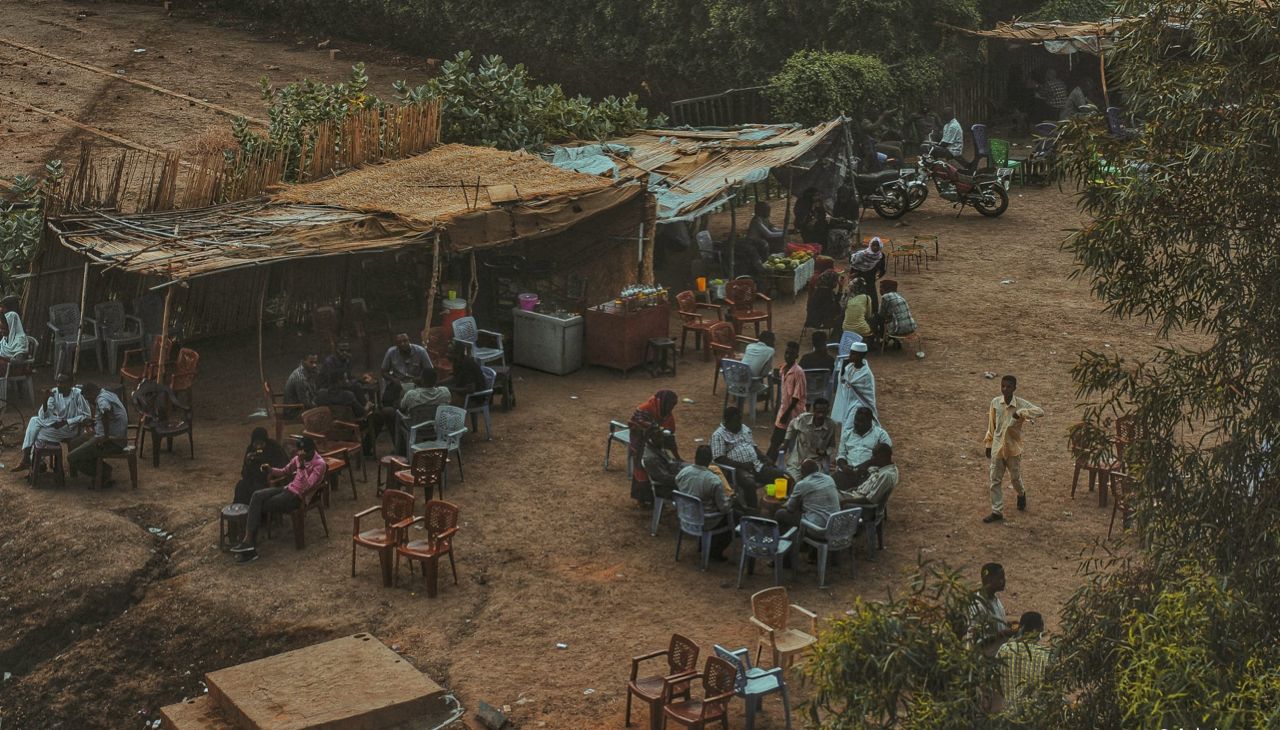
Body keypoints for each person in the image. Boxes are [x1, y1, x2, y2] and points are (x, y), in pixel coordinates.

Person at [230, 436, 328, 563]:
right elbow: (284, 471)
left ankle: (250, 547)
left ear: (311, 451)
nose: (299, 454)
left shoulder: (319, 464)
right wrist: (270, 469)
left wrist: (302, 466)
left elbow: (306, 487)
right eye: (299, 452)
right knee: (256, 496)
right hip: (287, 489)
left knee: (260, 505)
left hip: (297, 497)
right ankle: (247, 541)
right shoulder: (299, 458)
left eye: (302, 452)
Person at [983, 375, 1045, 523]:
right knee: (995, 480)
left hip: (1013, 449)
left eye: (1008, 387)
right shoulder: (995, 403)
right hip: (998, 447)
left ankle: (1021, 493)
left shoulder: (1021, 404)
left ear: (1014, 388)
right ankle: (996, 511)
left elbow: (1040, 411)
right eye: (1003, 386)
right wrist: (988, 444)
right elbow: (991, 424)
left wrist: (1021, 413)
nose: (1005, 389)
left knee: (1015, 478)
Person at [710, 405, 784, 507]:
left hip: (756, 465)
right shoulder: (718, 435)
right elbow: (720, 458)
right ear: (727, 421)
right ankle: (752, 510)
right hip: (736, 470)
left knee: (780, 474)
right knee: (749, 483)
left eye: (740, 419)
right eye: (736, 420)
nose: (740, 422)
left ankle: (778, 505)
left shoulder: (744, 429)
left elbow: (754, 447)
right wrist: (741, 465)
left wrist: (764, 458)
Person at [16, 373, 91, 471]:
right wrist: (45, 399)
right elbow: (43, 416)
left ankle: (33, 460)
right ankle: (32, 460)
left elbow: (87, 416)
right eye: (58, 382)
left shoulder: (78, 394)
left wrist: (66, 422)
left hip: (72, 428)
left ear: (70, 383)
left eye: (62, 382)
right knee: (34, 420)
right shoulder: (55, 392)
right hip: (58, 425)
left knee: (38, 433)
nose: (58, 385)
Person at [774, 459, 841, 565]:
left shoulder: (802, 484)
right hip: (836, 526)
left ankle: (785, 558)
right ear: (818, 469)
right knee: (815, 513)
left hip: (819, 530)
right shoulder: (829, 479)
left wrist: (794, 492)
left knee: (780, 514)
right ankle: (813, 554)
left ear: (802, 472)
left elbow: (790, 509)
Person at [674, 445, 734, 561]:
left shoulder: (683, 472)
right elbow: (724, 508)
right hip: (706, 520)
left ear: (695, 457)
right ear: (709, 460)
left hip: (686, 517)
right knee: (734, 516)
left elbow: (678, 484)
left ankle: (703, 544)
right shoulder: (713, 481)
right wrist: (732, 500)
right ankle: (714, 552)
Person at [67, 382, 129, 486]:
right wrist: (96, 421)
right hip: (106, 435)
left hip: (112, 441)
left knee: (71, 458)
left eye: (88, 399)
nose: (89, 402)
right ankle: (99, 469)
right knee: (73, 443)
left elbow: (105, 412)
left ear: (91, 394)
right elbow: (107, 416)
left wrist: (105, 436)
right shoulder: (106, 393)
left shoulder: (101, 399)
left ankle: (103, 473)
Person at [628, 390, 679, 505]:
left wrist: (677, 456)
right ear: (664, 402)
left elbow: (670, 432)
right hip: (640, 442)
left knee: (659, 466)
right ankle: (641, 499)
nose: (671, 408)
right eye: (670, 405)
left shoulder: (666, 413)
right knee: (641, 468)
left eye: (673, 405)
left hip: (655, 442)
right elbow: (635, 424)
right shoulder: (645, 408)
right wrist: (654, 430)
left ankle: (656, 496)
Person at [997, 611, 1052, 715]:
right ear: (1039, 630)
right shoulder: (1046, 655)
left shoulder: (1004, 649)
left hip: (1008, 715)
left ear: (1020, 628)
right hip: (1035, 717)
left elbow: (995, 680)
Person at [834, 406, 892, 489]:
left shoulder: (881, 435)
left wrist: (867, 464)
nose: (857, 423)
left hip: (869, 474)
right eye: (856, 420)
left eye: (861, 421)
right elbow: (841, 455)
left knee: (863, 495)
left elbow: (886, 456)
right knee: (829, 485)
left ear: (870, 421)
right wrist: (844, 466)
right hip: (848, 473)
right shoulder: (847, 434)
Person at [782, 397, 839, 479]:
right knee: (793, 482)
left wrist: (825, 452)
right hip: (798, 461)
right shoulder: (803, 419)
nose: (821, 415)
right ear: (814, 411)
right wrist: (785, 443)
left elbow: (832, 446)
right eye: (818, 412)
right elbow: (791, 425)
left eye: (823, 412)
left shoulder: (831, 425)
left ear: (828, 412)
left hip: (816, 463)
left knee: (816, 484)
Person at [768, 341, 806, 457]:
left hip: (794, 414)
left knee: (790, 445)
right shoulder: (783, 369)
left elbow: (796, 397)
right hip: (784, 410)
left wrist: (786, 414)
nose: (788, 356)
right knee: (775, 442)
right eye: (787, 353)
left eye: (791, 354)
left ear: (796, 356)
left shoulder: (798, 372)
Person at [232, 427, 289, 505]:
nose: (259, 447)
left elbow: (283, 466)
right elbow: (244, 473)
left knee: (257, 491)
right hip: (254, 480)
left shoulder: (274, 447)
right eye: (256, 444)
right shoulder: (251, 449)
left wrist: (267, 464)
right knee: (240, 486)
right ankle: (240, 512)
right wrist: (247, 462)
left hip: (271, 480)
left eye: (261, 443)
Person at [969, 563, 1017, 653]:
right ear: (989, 580)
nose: (1004, 581)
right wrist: (1003, 634)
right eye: (1000, 578)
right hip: (985, 660)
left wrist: (1007, 624)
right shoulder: (978, 605)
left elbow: (992, 626)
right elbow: (975, 640)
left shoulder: (995, 600)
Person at [319, 341, 374, 419]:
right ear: (336, 350)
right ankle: (361, 412)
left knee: (357, 386)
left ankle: (365, 410)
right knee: (349, 394)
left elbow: (348, 377)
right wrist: (350, 382)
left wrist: (362, 379)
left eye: (347, 350)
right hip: (328, 389)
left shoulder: (346, 359)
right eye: (341, 350)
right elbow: (336, 380)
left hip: (340, 385)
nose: (344, 353)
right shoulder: (329, 362)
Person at [831, 342, 877, 427]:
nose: (850, 355)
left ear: (860, 356)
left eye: (853, 354)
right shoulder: (849, 367)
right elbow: (843, 382)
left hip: (859, 404)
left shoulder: (866, 374)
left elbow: (866, 393)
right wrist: (843, 369)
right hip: (848, 402)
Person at [381, 333, 433, 407]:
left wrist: (421, 378)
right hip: (398, 383)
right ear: (396, 344)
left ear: (409, 341)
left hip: (417, 383)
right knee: (386, 401)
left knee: (421, 402)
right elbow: (383, 371)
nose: (403, 344)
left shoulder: (421, 351)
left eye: (405, 341)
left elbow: (430, 370)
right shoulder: (391, 352)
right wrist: (393, 379)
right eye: (399, 342)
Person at [839, 442, 898, 506]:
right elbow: (865, 488)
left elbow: (870, 500)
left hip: (858, 505)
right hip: (853, 496)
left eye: (875, 455)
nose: (872, 458)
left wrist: (845, 501)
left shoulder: (887, 475)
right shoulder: (881, 469)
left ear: (883, 457)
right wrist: (849, 491)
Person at [641, 426, 685, 502]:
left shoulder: (656, 447)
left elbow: (671, 464)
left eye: (661, 436)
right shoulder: (651, 458)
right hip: (665, 489)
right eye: (658, 437)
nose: (661, 439)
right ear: (650, 439)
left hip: (672, 479)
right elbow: (664, 478)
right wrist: (684, 479)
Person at [849, 237, 886, 311]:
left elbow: (882, 269)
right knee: (858, 299)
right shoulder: (862, 255)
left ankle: (873, 316)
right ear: (870, 245)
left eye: (877, 245)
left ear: (880, 246)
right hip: (859, 280)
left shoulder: (881, 256)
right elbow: (853, 264)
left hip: (870, 281)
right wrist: (853, 274)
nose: (875, 247)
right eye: (873, 245)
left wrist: (878, 277)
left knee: (872, 301)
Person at [444, 341, 486, 407]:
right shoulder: (457, 361)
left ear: (457, 353)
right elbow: (455, 377)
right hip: (463, 394)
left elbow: (470, 390)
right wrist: (438, 383)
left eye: (450, 353)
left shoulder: (467, 365)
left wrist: (450, 389)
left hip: (474, 398)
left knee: (443, 404)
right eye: (447, 352)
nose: (447, 355)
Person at [0, 296, 28, 363]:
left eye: (3, 307)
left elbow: (18, 361)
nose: (1, 331)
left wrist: (4, 359)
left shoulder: (20, 341)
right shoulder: (5, 340)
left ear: (12, 323)